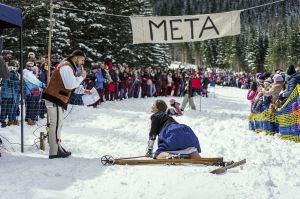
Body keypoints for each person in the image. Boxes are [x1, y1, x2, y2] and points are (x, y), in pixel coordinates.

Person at [42, 50, 87, 159]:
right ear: (76, 57)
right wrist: (82, 77)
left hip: (57, 99)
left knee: (58, 124)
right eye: (82, 60)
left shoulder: (68, 67)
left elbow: (69, 84)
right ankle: (54, 151)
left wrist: (83, 90)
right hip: (55, 99)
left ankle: (57, 147)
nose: (82, 63)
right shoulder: (66, 67)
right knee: (55, 125)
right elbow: (70, 85)